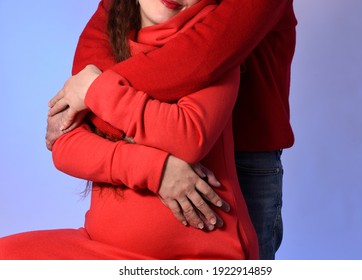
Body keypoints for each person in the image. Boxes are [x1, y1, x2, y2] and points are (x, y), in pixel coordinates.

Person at [0, 0, 258, 260]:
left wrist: (95, 90)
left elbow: (189, 135)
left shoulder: (210, 53)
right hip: (101, 247)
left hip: (198, 256)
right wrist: (157, 169)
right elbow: (66, 145)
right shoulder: (105, 49)